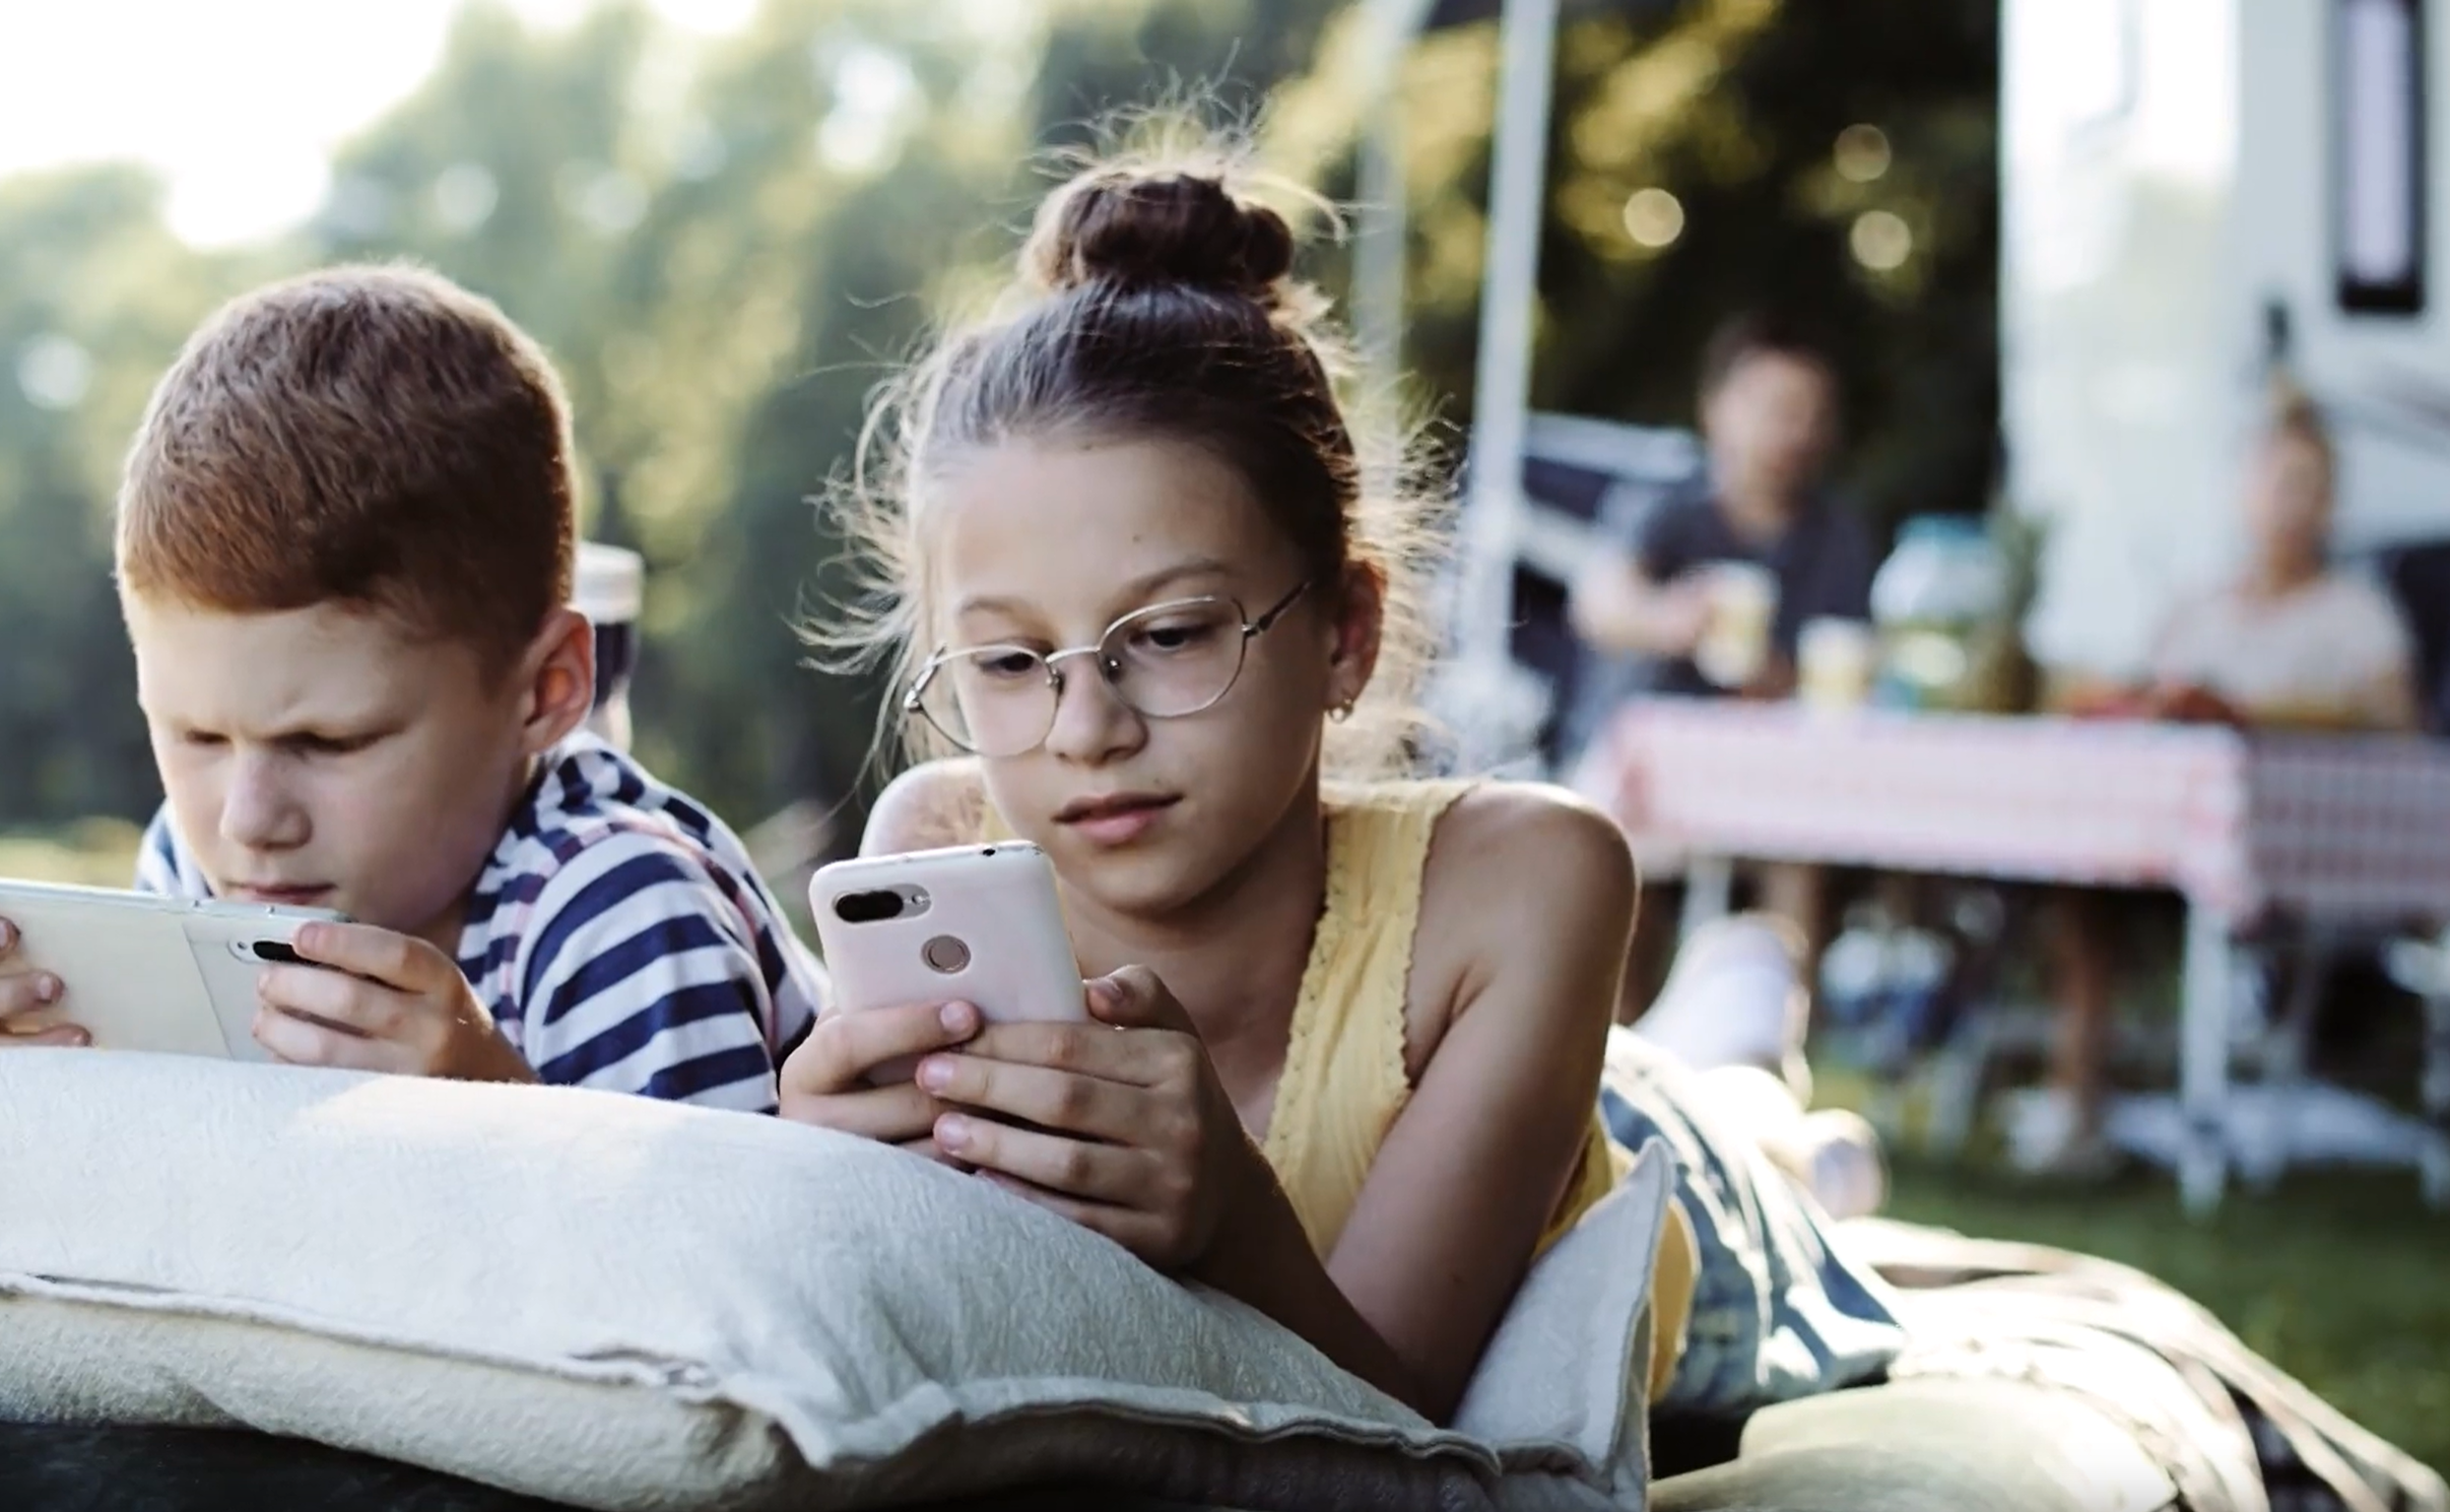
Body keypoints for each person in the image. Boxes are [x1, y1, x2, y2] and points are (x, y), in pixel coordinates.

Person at [775, 150, 1903, 1425]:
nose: (1083, 727)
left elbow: (1406, 1419)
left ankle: (1767, 1084)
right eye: (1008, 658)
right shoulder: (941, 842)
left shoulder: (1531, 880)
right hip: (1531, 1081)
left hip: (1663, 1207)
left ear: (1346, 632)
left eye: (1170, 633)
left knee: (1749, 1138)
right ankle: (1733, 1028)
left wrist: (1232, 1222)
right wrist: (832, 1176)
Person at [0, 266, 823, 1110]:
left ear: (546, 689)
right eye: (197, 737)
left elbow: (716, 1272)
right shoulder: (194, 863)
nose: (248, 820)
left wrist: (492, 1104)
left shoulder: (619, 908)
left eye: (327, 743)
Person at [2021, 390, 2420, 1176]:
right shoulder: (2200, 608)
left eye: (2305, 485)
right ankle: (2078, 1102)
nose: (2286, 504)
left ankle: (2105, 1104)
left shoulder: (2356, 614)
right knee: (2076, 882)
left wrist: (2262, 713)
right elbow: (2148, 704)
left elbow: (2399, 731)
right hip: (2167, 842)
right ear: (2243, 492)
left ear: (2330, 502)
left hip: (2298, 849)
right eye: (2274, 482)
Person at [1564, 311, 1881, 1053]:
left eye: (1808, 412)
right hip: (1649, 769)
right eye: (1774, 407)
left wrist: (1782, 676)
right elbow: (1599, 600)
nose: (1792, 430)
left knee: (1800, 844)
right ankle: (1608, 1056)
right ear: (1719, 411)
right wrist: (1667, 616)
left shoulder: (1836, 533)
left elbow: (1847, 664)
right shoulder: (1669, 507)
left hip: (1774, 773)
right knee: (1617, 868)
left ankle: (1768, 1046)